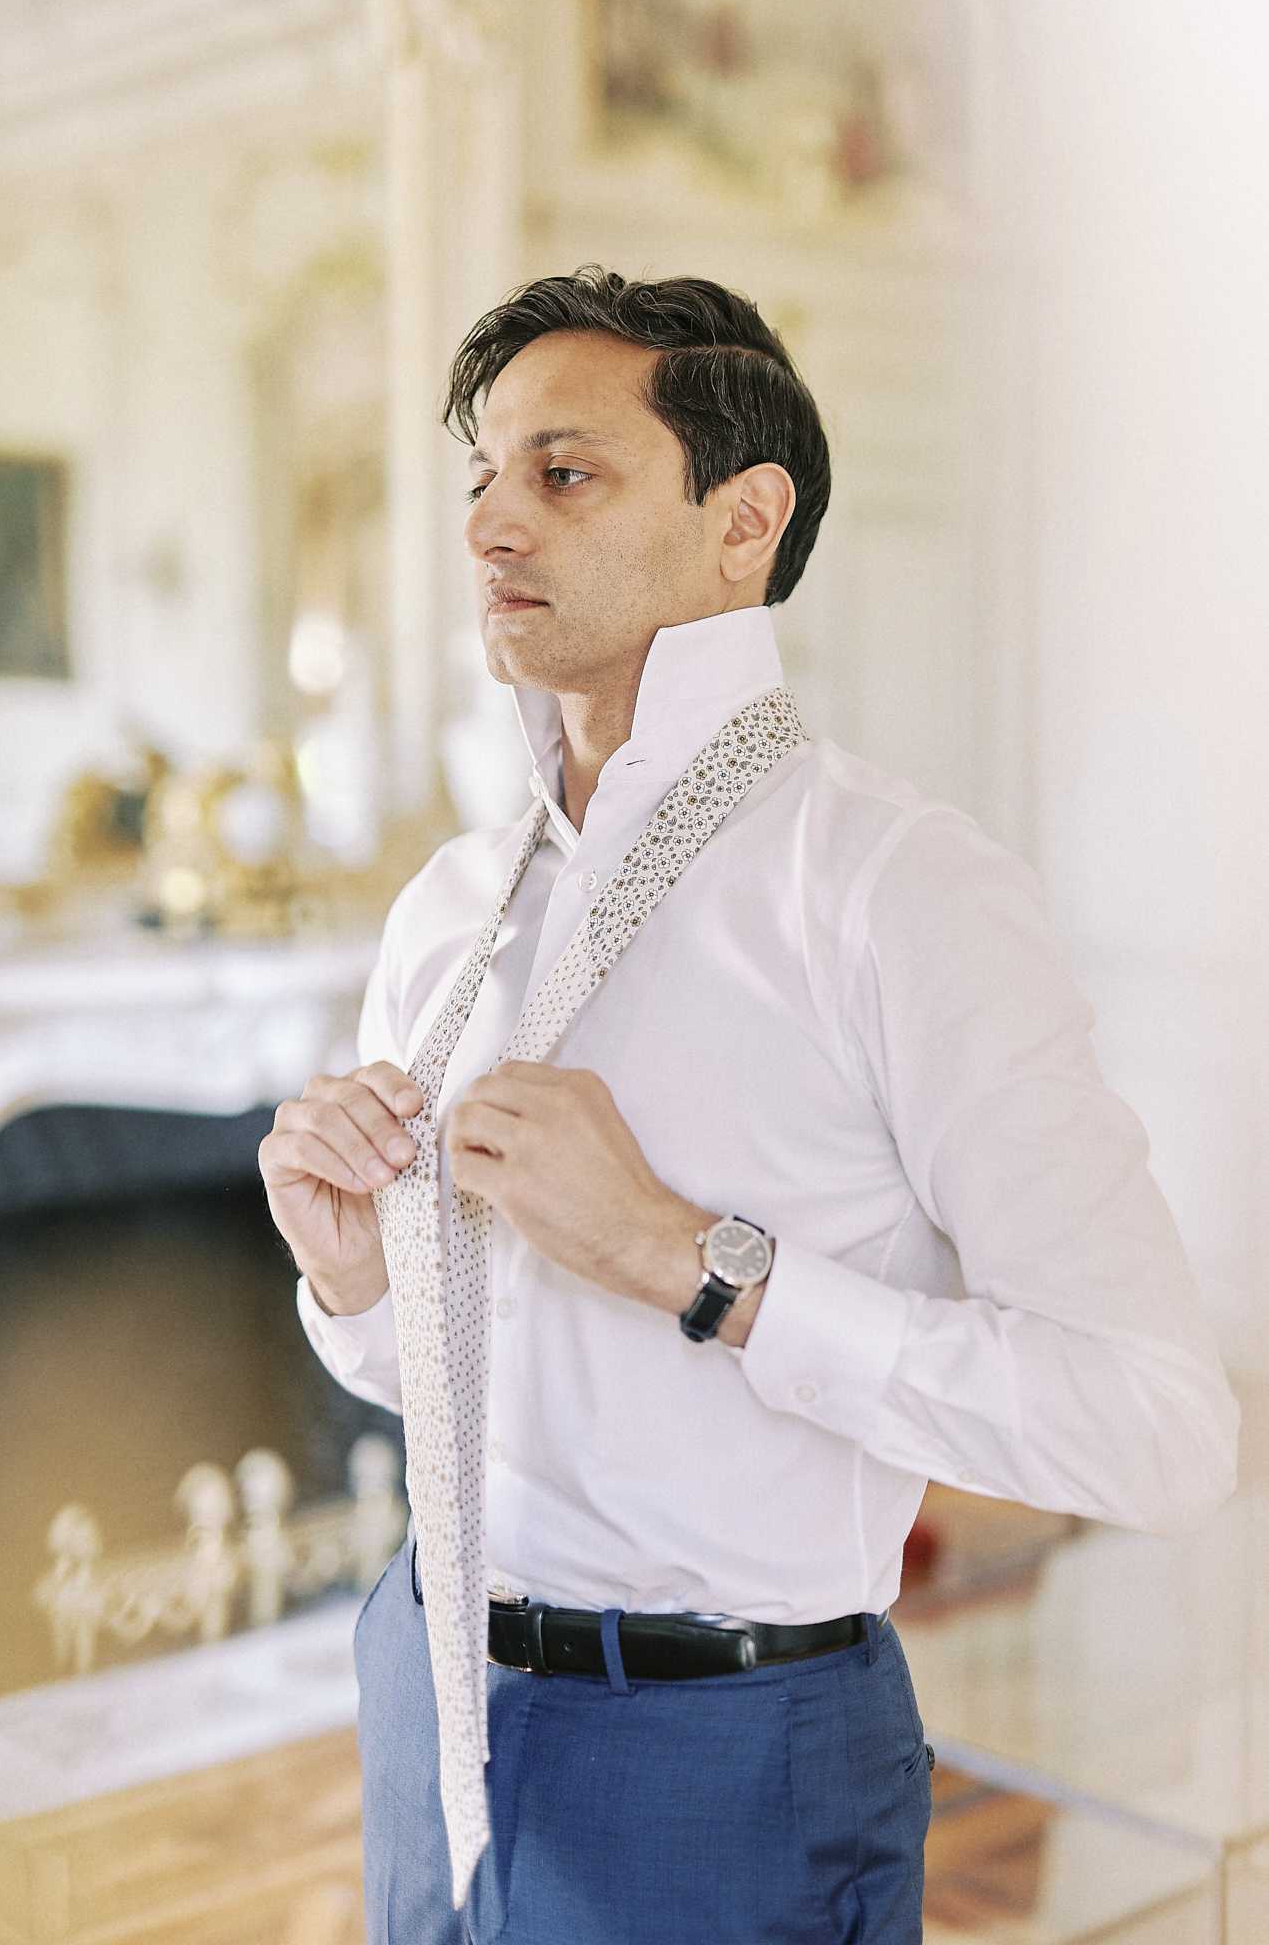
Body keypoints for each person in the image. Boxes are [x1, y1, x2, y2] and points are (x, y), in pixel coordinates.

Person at [260, 265, 1241, 1944]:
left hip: (721, 1755)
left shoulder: (893, 891)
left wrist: (689, 1262)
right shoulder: (443, 910)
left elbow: (1156, 1431)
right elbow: (438, 1378)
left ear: (744, 521)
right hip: (420, 1693)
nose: (492, 523)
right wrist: (351, 1274)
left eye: (563, 474)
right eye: (481, 478)